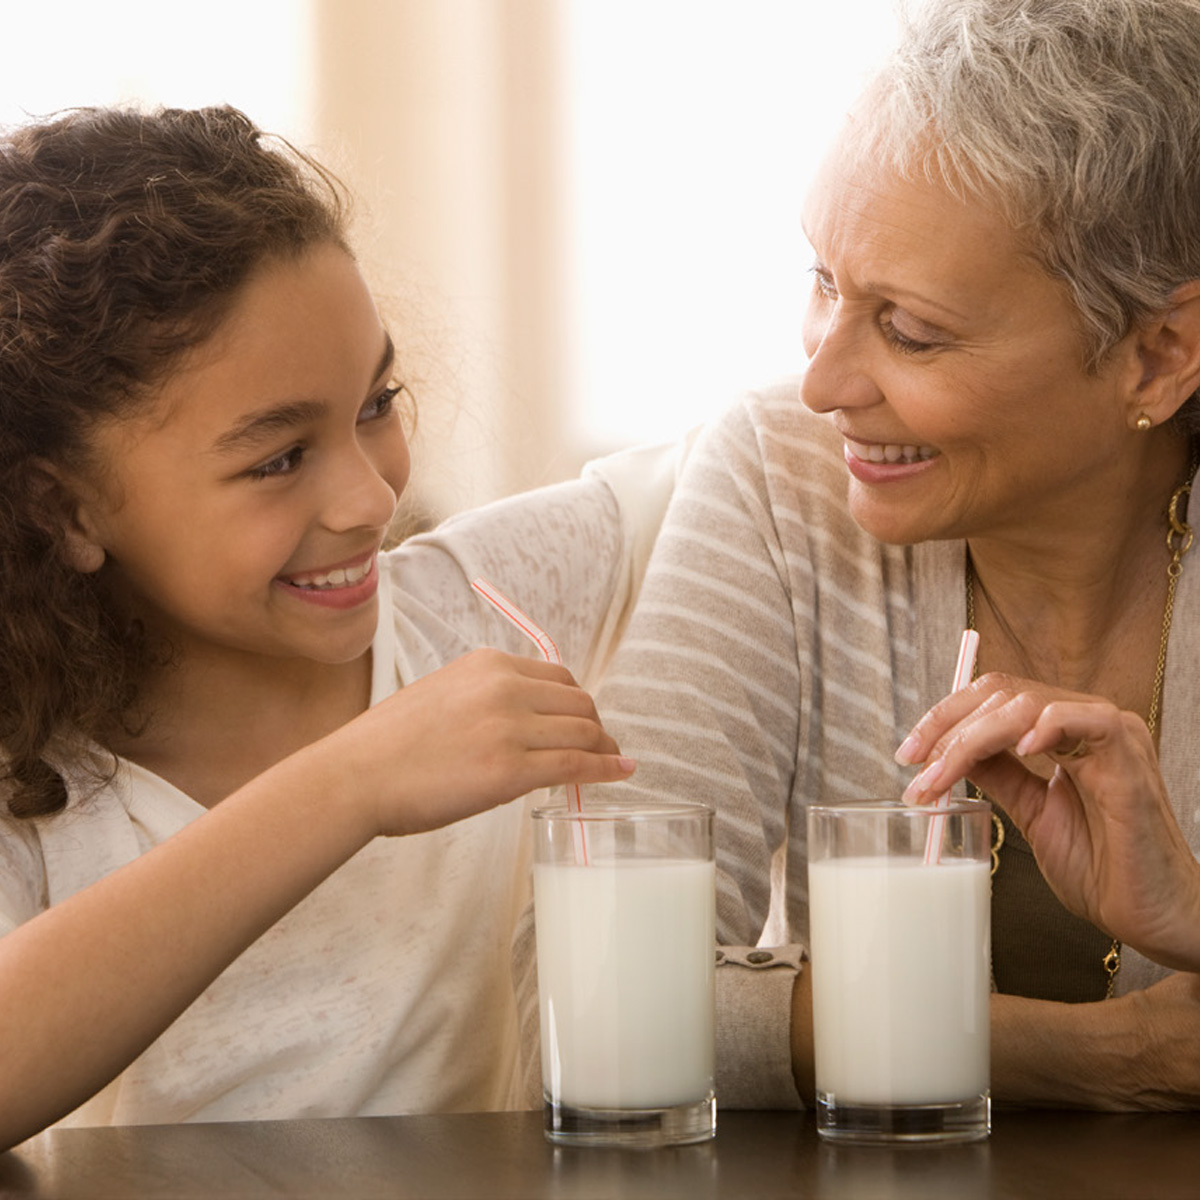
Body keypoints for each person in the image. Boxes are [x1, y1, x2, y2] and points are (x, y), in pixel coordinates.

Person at [0, 103, 688, 1151]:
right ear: (67, 511)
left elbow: (762, 451)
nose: (370, 499)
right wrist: (353, 782)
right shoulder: (31, 773)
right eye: (278, 459)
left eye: (376, 402)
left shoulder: (483, 604)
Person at [589, 0, 1200, 1110]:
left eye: (910, 330)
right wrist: (1106, 1059)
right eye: (824, 281)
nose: (824, 384)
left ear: (1159, 355)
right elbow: (596, 1000)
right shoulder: (787, 479)